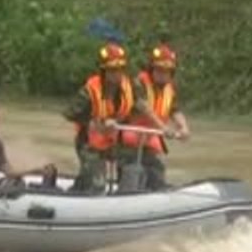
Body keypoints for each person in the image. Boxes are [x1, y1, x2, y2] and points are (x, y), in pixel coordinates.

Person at [61, 42, 174, 193]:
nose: (117, 74)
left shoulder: (130, 86)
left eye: (121, 69)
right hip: (89, 144)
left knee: (144, 160)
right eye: (113, 70)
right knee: (97, 184)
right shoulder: (89, 91)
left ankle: (134, 191)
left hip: (114, 141)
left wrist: (162, 127)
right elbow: (70, 113)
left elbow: (142, 106)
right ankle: (82, 188)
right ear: (104, 71)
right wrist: (96, 122)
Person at [122, 42, 190, 191]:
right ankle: (126, 192)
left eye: (167, 70)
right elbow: (144, 107)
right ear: (152, 69)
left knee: (156, 169)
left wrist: (183, 127)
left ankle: (155, 190)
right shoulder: (139, 83)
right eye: (159, 69)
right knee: (130, 168)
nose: (162, 73)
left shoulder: (170, 89)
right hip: (128, 137)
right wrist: (163, 128)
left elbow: (175, 110)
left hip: (150, 137)